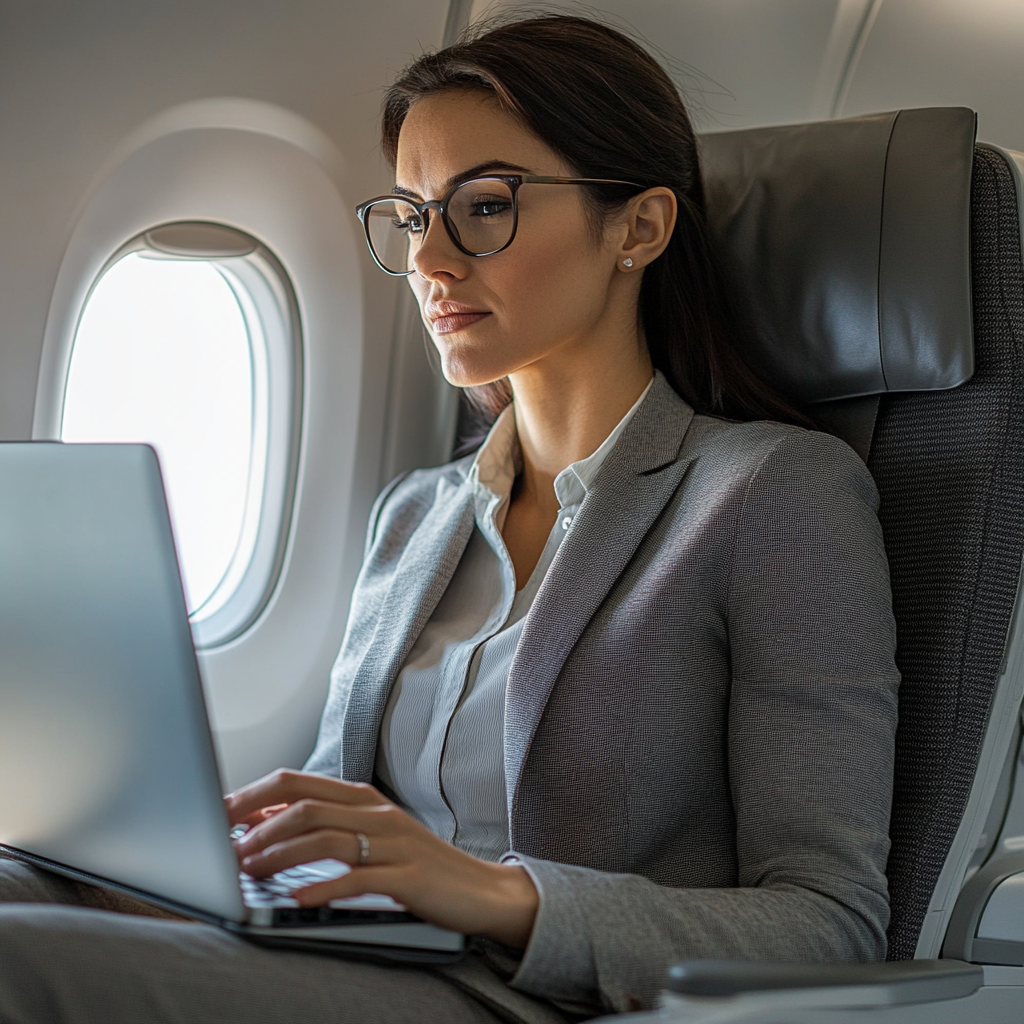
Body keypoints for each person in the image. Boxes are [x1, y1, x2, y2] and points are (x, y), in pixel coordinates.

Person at [0, 13, 899, 1023]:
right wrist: (188, 859)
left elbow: (828, 921)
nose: (429, 256)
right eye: (411, 213)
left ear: (638, 229)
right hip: (357, 954)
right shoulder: (415, 515)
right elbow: (335, 822)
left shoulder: (769, 493)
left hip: (538, 994)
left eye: (483, 206)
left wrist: (496, 894)